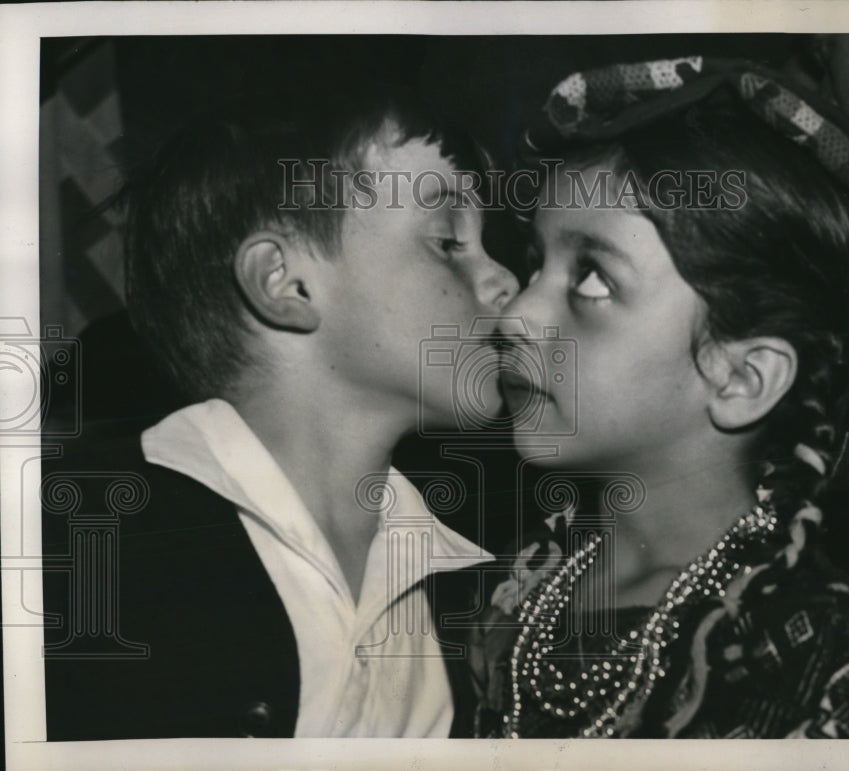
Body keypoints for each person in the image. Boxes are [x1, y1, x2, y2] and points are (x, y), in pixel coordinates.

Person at [471, 58, 849, 739]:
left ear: (743, 379)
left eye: (591, 279)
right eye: (535, 263)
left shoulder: (823, 665)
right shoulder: (517, 582)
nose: (517, 315)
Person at [42, 92, 519, 739]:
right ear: (286, 285)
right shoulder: (75, 544)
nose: (504, 281)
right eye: (446, 241)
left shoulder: (476, 582)